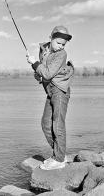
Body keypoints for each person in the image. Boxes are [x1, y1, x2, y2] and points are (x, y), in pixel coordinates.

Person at [26, 25, 74, 170]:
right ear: (51, 38)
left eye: (63, 44)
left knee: (57, 124)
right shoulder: (45, 51)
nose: (60, 47)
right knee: (46, 124)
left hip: (60, 92)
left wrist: (35, 64)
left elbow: (47, 73)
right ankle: (59, 154)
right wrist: (37, 73)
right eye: (58, 43)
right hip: (51, 92)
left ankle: (59, 160)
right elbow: (43, 75)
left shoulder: (62, 54)